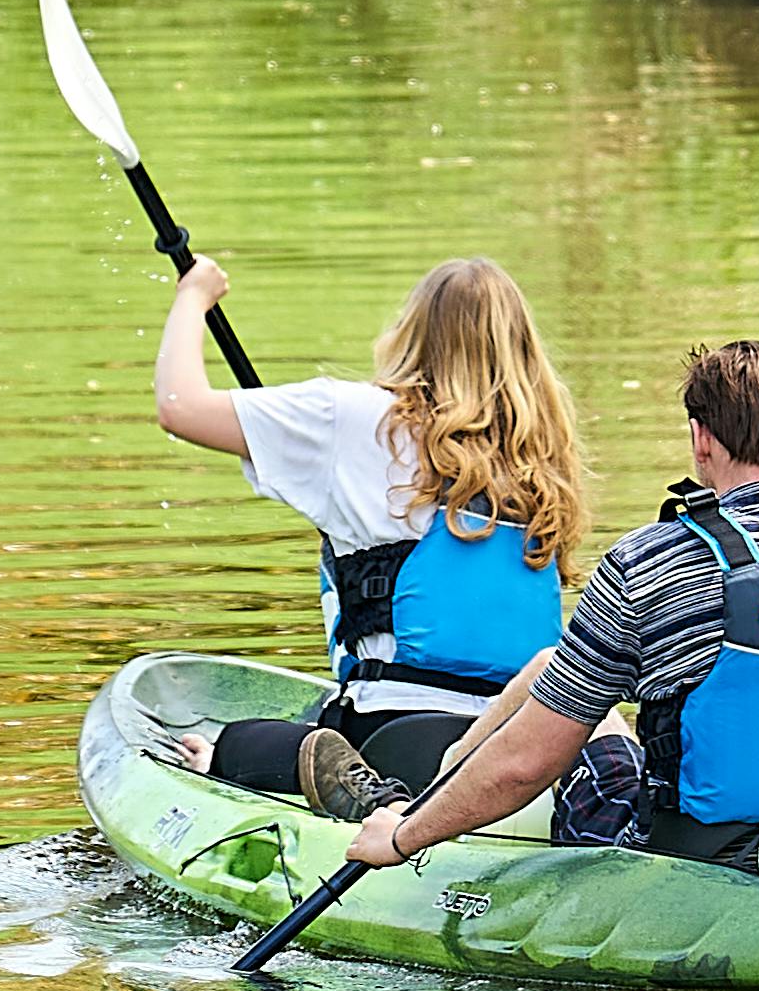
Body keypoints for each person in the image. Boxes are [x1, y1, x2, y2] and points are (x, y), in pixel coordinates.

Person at [332, 337, 759, 880]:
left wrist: (404, 839)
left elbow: (526, 764)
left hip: (694, 860)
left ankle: (410, 803)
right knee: (553, 671)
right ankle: (428, 790)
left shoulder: (646, 564)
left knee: (555, 680)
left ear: (701, 440)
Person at [150, 254, 593, 814]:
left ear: (412, 333)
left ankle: (291, 773)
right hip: (526, 737)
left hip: (396, 731)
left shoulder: (355, 417)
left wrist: (194, 295)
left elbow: (179, 407)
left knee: (232, 745)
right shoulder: (539, 459)